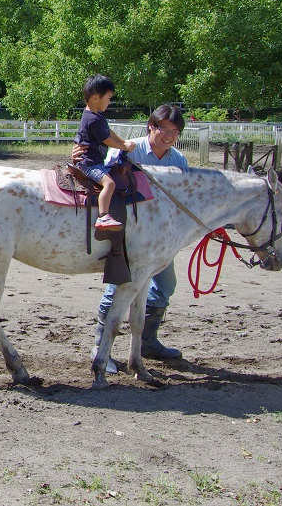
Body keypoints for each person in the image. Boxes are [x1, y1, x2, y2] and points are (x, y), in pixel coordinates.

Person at [74, 103, 190, 372]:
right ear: (152, 126)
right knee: (118, 286)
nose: (169, 136)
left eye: (175, 131)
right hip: (129, 236)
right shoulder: (130, 148)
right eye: (164, 129)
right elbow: (101, 174)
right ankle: (100, 345)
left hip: (160, 240)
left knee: (165, 285)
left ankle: (147, 341)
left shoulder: (178, 161)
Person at [73, 75, 136, 229]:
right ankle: (103, 216)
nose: (109, 102)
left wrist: (123, 142)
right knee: (109, 183)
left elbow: (109, 132)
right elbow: (107, 140)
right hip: (89, 162)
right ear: (95, 98)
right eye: (108, 98)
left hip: (94, 159)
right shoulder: (92, 119)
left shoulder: (97, 115)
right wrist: (124, 147)